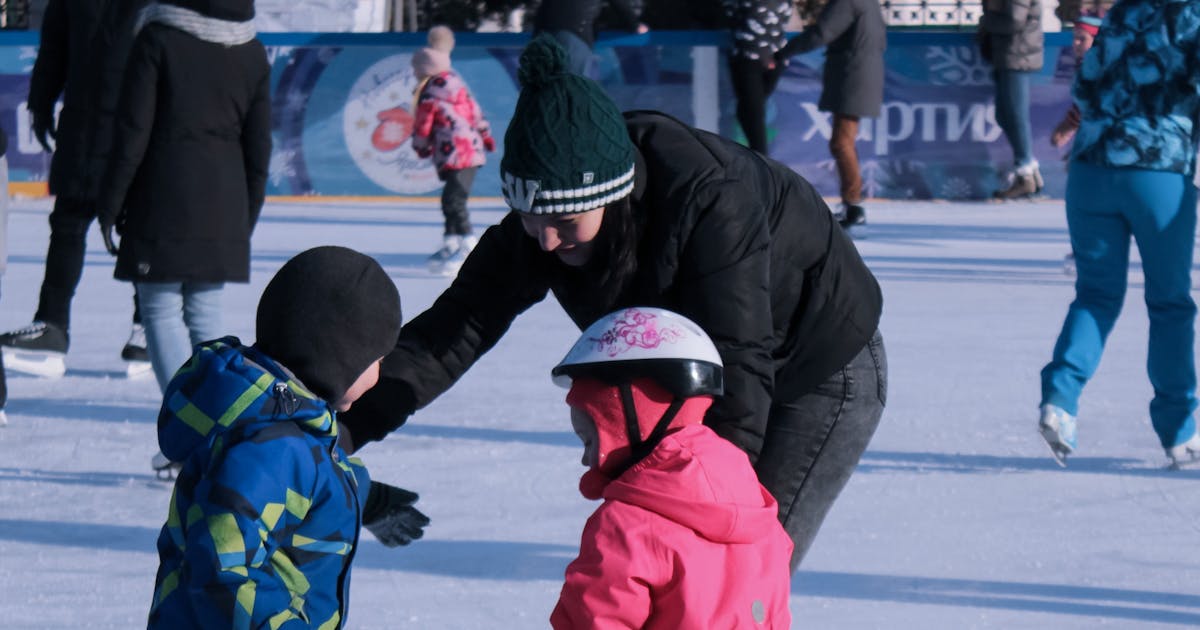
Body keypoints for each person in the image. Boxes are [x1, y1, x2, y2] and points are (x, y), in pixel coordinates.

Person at [340, 35, 887, 571]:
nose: (547, 240)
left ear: (613, 198)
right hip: (700, 371)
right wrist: (335, 438)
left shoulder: (711, 202)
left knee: (731, 571)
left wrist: (707, 508)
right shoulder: (542, 220)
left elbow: (738, 361)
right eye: (530, 219)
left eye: (564, 223)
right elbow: (448, 336)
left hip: (818, 363)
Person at [146, 245, 410, 628]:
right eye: (376, 361)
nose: (379, 374)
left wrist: (365, 493)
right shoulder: (271, 444)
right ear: (339, 358)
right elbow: (223, 568)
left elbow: (306, 475)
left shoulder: (284, 421)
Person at [549, 307, 793, 629]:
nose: (586, 460)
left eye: (589, 441)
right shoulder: (758, 508)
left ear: (630, 417)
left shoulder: (625, 526)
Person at [1037, 0, 1200, 469]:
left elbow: (1086, 89)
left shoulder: (1124, 11)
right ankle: (1179, 431)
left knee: (1095, 295)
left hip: (1090, 170)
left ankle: (1060, 401)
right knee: (1169, 302)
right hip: (1157, 171)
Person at [0, 0, 147, 378]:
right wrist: (40, 102)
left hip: (139, 124)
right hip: (88, 124)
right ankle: (53, 324)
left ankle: (147, 324)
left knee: (139, 225)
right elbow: (54, 45)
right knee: (71, 223)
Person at [776, 0, 886, 231]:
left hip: (852, 74)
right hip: (860, 71)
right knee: (843, 141)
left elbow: (822, 32)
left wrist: (784, 52)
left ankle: (854, 205)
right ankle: (852, 203)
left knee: (841, 142)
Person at [410, 25, 497, 276]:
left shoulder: (429, 93)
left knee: (453, 199)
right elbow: (476, 112)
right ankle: (450, 241)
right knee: (451, 199)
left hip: (456, 154)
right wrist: (485, 136)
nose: (415, 74)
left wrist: (420, 146)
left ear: (425, 69)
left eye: (416, 70)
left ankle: (468, 244)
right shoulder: (457, 85)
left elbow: (423, 125)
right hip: (467, 153)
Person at [1048, 10, 1103, 276]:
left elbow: (1091, 105)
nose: (1075, 45)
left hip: (1101, 145)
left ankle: (1088, 249)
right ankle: (1085, 247)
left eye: (1082, 39)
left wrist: (1068, 127)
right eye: (1074, 39)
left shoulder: (1100, 66)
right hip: (1091, 143)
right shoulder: (1088, 66)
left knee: (1089, 199)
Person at [978, 0, 1045, 199]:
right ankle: (1029, 169)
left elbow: (1015, 20)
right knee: (1005, 114)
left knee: (1016, 115)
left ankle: (1025, 172)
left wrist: (986, 20)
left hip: (1018, 55)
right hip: (1009, 54)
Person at [722, 0, 793, 154]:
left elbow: (785, 17)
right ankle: (761, 158)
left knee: (752, 108)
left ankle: (757, 156)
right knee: (754, 110)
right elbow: (729, 14)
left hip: (774, 56)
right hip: (748, 55)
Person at [532, 0, 648, 77]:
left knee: (543, 86)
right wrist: (634, 25)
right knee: (570, 87)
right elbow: (620, 5)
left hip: (543, 33)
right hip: (573, 33)